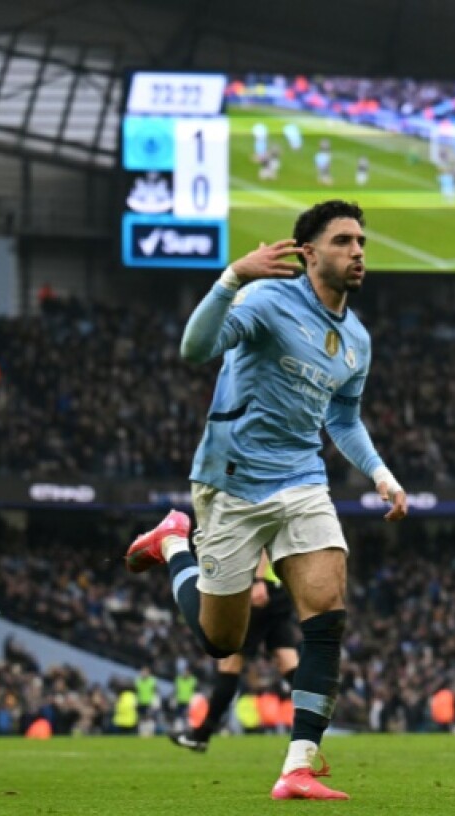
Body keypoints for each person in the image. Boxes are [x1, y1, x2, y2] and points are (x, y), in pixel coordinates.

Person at [125, 199, 407, 800]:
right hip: (231, 480)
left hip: (302, 478)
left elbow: (346, 419)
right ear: (309, 253)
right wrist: (232, 279)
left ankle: (298, 766)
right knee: (220, 641)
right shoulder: (266, 302)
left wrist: (381, 474)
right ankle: (174, 542)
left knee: (327, 610)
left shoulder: (356, 336)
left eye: (361, 241)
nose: (357, 251)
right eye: (342, 241)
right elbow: (194, 351)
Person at [170, 555, 300, 751]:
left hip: (261, 590)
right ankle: (316, 724)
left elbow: (263, 537)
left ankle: (200, 735)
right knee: (288, 661)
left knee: (229, 663)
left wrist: (258, 581)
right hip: (280, 588)